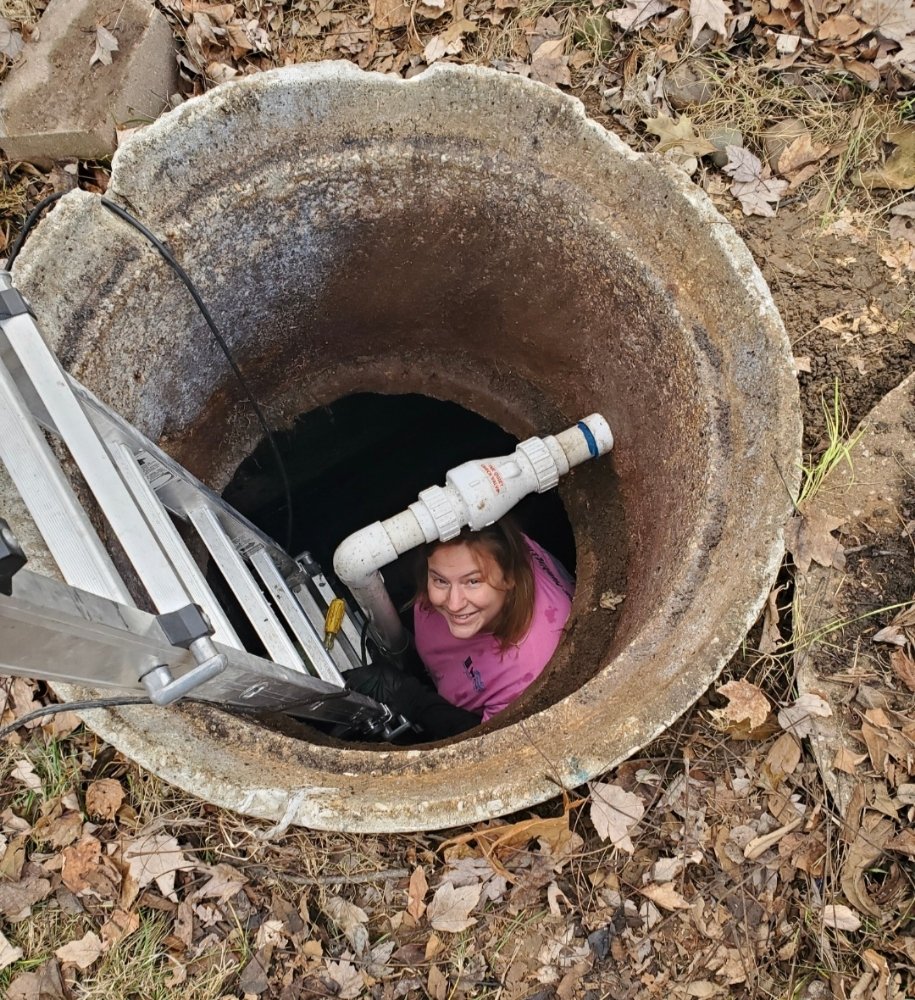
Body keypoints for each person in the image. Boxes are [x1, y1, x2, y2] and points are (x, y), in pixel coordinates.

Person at [346, 518, 574, 740]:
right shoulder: (483, 552)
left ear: (509, 578)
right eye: (440, 581)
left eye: (473, 582)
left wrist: (406, 695)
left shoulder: (531, 675)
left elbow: (488, 744)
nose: (454, 604)